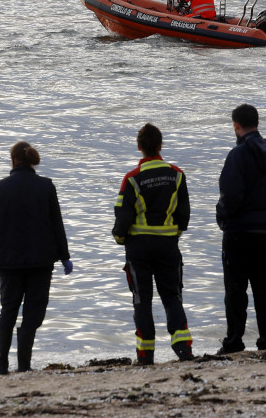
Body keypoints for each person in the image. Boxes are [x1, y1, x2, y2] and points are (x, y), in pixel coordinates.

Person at [0, 141, 74, 375]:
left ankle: (2, 365)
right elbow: (57, 224)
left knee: (8, 311)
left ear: (12, 160)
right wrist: (64, 257)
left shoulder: (0, 188)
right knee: (34, 311)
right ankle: (24, 364)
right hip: (41, 261)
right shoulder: (46, 186)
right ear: (31, 160)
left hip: (9, 261)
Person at [215, 104, 266, 354]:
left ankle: (234, 341)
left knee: (236, 289)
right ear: (257, 123)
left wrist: (222, 218)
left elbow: (231, 196)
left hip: (239, 231)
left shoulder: (236, 156)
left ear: (235, 125)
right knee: (264, 287)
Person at [113, 123, 194, 365]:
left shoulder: (131, 179)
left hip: (139, 248)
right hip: (168, 245)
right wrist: (174, 233)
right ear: (160, 145)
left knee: (142, 299)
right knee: (172, 296)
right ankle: (183, 350)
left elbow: (122, 217)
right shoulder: (177, 175)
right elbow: (184, 215)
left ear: (139, 147)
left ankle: (145, 354)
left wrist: (120, 238)